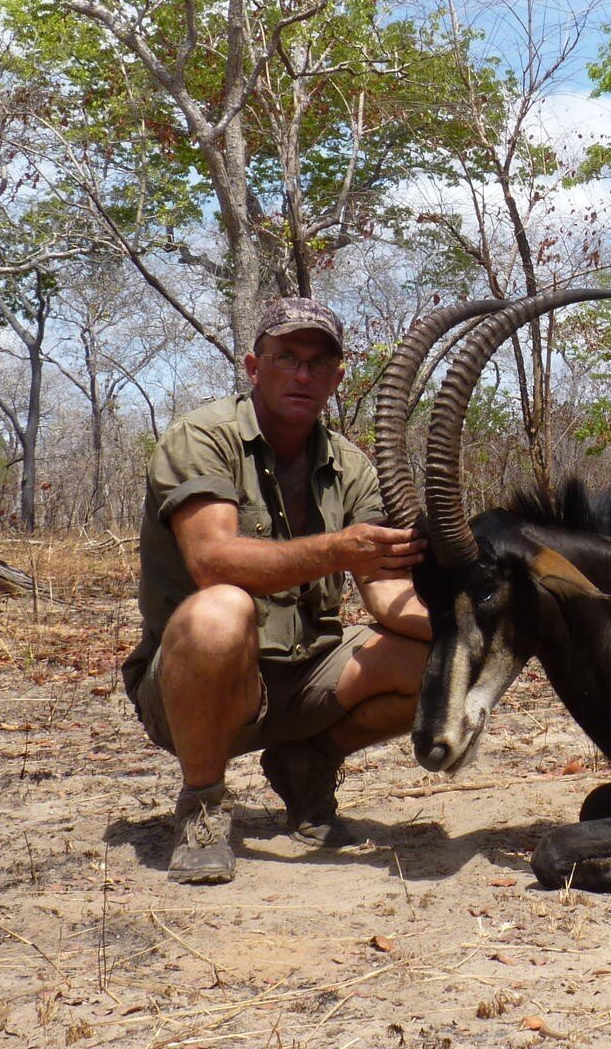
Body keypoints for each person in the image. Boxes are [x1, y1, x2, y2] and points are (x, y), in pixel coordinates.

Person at [120, 298, 431, 885]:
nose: (304, 375)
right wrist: (338, 548)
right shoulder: (201, 436)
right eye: (286, 357)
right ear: (253, 366)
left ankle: (307, 763)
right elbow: (211, 561)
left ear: (338, 378)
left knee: (445, 660)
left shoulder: (354, 467)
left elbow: (386, 595)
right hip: (201, 689)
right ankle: (204, 805)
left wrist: (483, 630)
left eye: (320, 363)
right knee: (220, 609)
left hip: (306, 676)